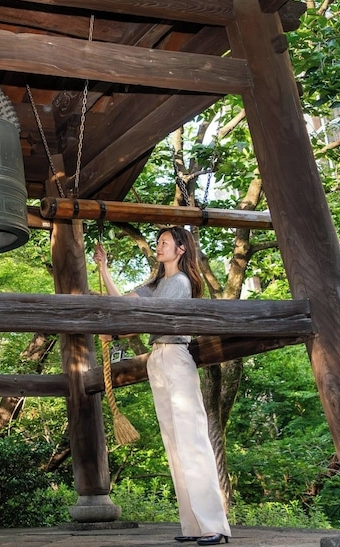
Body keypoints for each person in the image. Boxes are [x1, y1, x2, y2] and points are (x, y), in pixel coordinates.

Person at [94, 226, 230, 546]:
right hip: (156, 359)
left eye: (165, 242)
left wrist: (114, 333)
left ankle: (213, 525)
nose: (159, 246)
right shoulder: (157, 283)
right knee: (173, 442)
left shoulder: (180, 282)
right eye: (158, 243)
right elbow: (125, 304)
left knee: (191, 439)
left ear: (181, 249)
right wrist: (103, 268)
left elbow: (150, 318)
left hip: (175, 357)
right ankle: (193, 526)